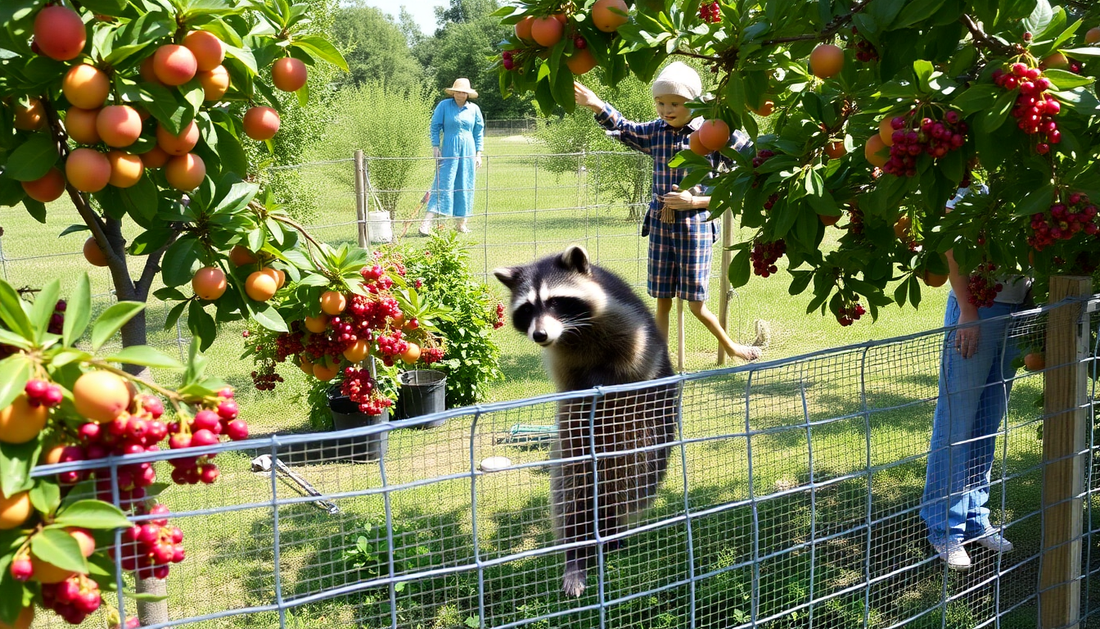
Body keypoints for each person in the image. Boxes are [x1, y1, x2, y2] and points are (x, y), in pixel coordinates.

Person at [573, 62, 765, 362]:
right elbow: (626, 129)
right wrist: (598, 106)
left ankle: (731, 347)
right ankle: (659, 363)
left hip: (695, 227)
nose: (666, 109)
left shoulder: (712, 132)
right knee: (662, 301)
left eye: (675, 103)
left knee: (695, 305)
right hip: (661, 226)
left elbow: (749, 169)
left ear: (694, 102)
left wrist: (696, 200)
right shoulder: (657, 132)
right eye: (660, 103)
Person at [920, 182, 1030, 570]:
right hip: (978, 310)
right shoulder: (972, 180)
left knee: (987, 421)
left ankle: (974, 518)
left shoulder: (1024, 174)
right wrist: (967, 309)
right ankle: (944, 529)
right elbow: (951, 239)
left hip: (1019, 312)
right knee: (957, 421)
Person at [420, 78, 484, 236]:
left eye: (463, 92)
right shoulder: (444, 106)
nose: (459, 94)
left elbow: (479, 132)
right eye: (457, 91)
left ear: (467, 94)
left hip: (468, 150)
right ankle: (426, 224)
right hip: (448, 148)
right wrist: (435, 146)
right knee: (443, 183)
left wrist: (478, 154)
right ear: (453, 92)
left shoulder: (474, 109)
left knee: (465, 183)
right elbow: (435, 126)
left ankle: (461, 223)